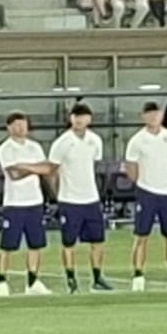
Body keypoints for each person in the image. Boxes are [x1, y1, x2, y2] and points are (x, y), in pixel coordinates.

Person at [122, 99, 167, 288]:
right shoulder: (137, 140)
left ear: (161, 115)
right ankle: (138, 275)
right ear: (144, 117)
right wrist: (143, 184)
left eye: (156, 113)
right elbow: (131, 167)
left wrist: (165, 182)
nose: (153, 116)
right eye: (149, 113)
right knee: (141, 235)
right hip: (147, 193)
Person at [50, 103, 116, 293]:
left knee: (97, 241)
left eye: (83, 116)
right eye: (75, 116)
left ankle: (97, 277)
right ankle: (71, 278)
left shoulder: (95, 140)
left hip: (91, 199)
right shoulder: (62, 143)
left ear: (89, 119)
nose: (79, 120)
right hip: (69, 200)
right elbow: (52, 171)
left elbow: (95, 166)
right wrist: (56, 196)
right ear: (71, 118)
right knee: (69, 242)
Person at [0, 111, 53, 294]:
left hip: (34, 201)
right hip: (14, 203)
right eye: (16, 125)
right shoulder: (6, 148)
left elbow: (46, 169)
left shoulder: (35, 147)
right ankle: (2, 282)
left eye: (23, 124)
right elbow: (13, 174)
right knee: (7, 245)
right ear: (9, 128)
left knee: (35, 244)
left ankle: (33, 282)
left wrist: (25, 166)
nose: (20, 128)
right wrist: (34, 168)